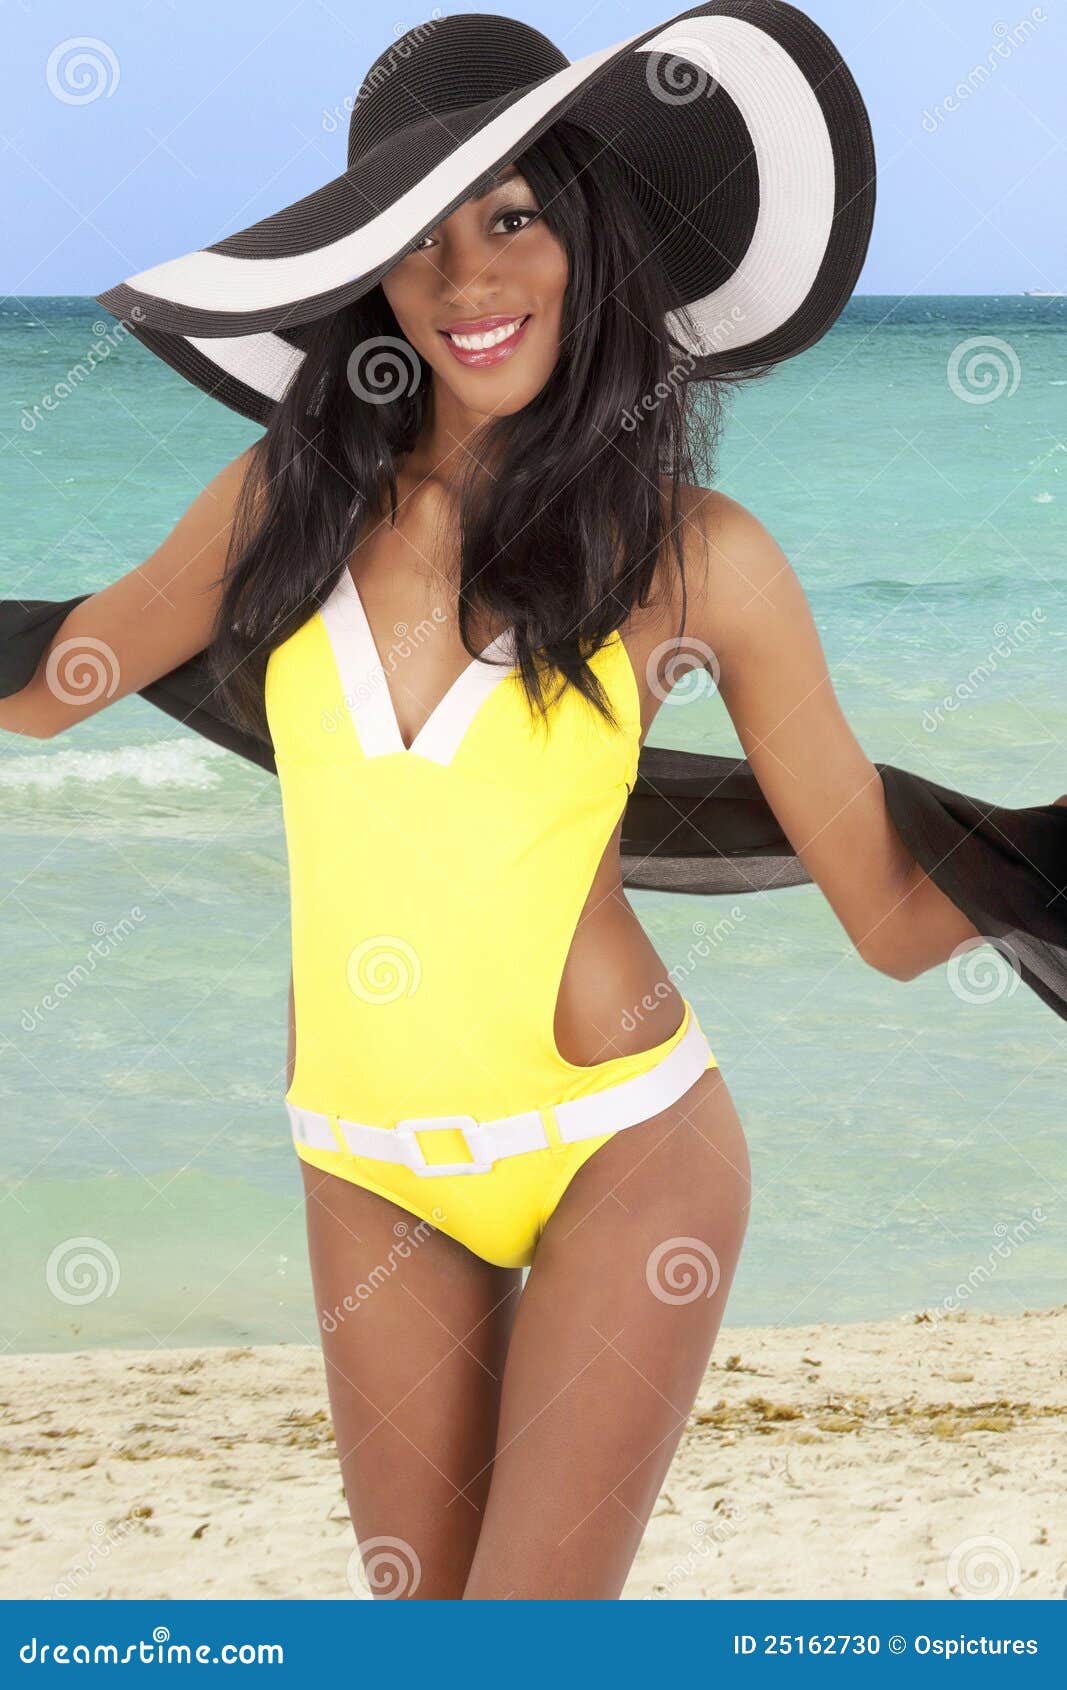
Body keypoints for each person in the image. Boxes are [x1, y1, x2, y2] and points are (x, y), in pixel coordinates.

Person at [1, 8, 1063, 1601]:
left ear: (590, 236)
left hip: (622, 1149)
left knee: (528, 1641)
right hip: (364, 1162)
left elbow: (894, 918)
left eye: (513, 217)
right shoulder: (278, 506)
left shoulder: (702, 556)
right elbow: (55, 681)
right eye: (419, 240)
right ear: (368, 276)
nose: (470, 280)